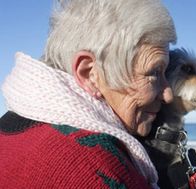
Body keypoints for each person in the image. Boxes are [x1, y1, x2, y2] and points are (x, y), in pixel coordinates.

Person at [0, 0, 176, 188]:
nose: (168, 95)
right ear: (90, 74)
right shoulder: (96, 167)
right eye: (153, 73)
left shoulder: (9, 129)